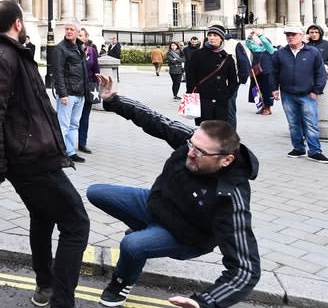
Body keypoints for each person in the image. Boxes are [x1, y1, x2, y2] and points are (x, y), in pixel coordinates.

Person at [87, 73, 260, 308]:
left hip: (185, 235)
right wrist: (114, 99)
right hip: (158, 204)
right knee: (96, 192)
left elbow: (245, 269)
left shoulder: (230, 196)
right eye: (192, 145)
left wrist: (204, 302)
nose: (190, 152)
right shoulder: (192, 141)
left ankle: (121, 282)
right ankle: (145, 234)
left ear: (227, 160)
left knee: (132, 245)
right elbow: (154, 119)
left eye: (200, 152)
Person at [0, 0, 89, 308]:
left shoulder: (11, 52)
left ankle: (45, 286)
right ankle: (61, 300)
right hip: (31, 157)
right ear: (17, 23)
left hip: (34, 151)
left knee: (42, 216)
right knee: (77, 224)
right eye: (22, 20)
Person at [272, 26, 327, 163]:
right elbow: (274, 72)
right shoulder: (280, 53)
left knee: (311, 123)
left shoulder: (312, 52)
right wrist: (274, 89)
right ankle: (298, 148)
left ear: (302, 36)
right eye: (288, 35)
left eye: (293, 34)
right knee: (293, 123)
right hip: (287, 94)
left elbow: (320, 73)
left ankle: (315, 151)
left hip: (307, 94)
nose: (290, 37)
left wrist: (316, 90)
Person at [186, 24, 237, 126]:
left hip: (221, 100)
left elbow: (233, 81)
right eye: (210, 35)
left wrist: (227, 95)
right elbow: (190, 76)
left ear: (221, 39)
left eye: (215, 35)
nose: (212, 38)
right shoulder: (198, 54)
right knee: (205, 129)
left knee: (219, 130)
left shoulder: (227, 58)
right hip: (203, 99)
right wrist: (192, 94)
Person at [52, 20, 88, 164]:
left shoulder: (79, 47)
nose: (68, 31)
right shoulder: (60, 48)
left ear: (77, 32)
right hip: (68, 94)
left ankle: (70, 152)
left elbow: (83, 70)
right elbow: (58, 72)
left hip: (80, 93)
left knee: (74, 125)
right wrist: (63, 94)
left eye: (71, 29)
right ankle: (59, 154)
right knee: (63, 125)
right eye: (66, 29)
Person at [78, 28, 100, 155]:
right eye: (78, 35)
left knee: (85, 117)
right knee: (74, 118)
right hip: (76, 88)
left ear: (86, 37)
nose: (79, 37)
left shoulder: (92, 51)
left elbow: (96, 68)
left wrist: (97, 85)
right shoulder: (74, 50)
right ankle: (67, 144)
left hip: (89, 87)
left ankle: (82, 143)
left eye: (81, 35)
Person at [222, 33, 250, 129]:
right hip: (212, 83)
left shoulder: (234, 43)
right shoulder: (207, 43)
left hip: (230, 82)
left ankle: (231, 136)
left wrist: (242, 79)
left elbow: (244, 62)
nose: (212, 36)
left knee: (229, 109)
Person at [245, 29, 275, 115]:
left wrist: (260, 35)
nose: (261, 42)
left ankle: (267, 108)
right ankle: (261, 106)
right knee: (256, 90)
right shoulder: (257, 49)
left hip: (266, 72)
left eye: (262, 42)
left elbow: (266, 43)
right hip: (256, 72)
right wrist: (250, 36)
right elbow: (248, 44)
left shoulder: (270, 49)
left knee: (267, 90)